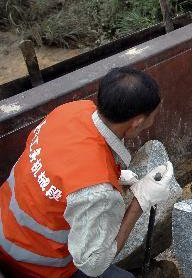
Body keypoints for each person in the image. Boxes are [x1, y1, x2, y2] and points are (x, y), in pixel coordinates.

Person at [0, 67, 174, 278]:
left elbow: (63, 159)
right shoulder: (97, 192)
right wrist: (140, 202)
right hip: (34, 262)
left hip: (5, 224)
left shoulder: (72, 111)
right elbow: (94, 264)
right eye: (152, 116)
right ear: (137, 121)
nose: (152, 121)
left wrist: (115, 175)